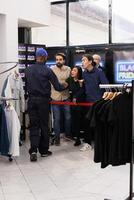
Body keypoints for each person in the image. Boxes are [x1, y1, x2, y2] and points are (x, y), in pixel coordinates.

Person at [25, 48, 67, 161]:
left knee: (33, 125)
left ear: (36, 57)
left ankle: (33, 150)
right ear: (45, 58)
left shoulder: (28, 70)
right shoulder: (48, 70)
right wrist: (66, 85)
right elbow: (58, 87)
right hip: (43, 101)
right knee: (44, 125)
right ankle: (43, 151)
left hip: (31, 100)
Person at [80, 54, 109, 151]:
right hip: (87, 102)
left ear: (90, 61)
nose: (82, 62)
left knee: (98, 124)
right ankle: (87, 143)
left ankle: (101, 144)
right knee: (87, 123)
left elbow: (106, 86)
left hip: (98, 103)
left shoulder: (99, 72)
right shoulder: (84, 73)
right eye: (82, 60)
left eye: (84, 60)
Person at [51, 53, 71, 146]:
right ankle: (57, 138)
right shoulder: (51, 69)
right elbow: (51, 82)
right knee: (57, 118)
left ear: (64, 60)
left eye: (60, 59)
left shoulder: (68, 69)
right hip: (55, 97)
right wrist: (62, 84)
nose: (58, 61)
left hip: (66, 96)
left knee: (68, 117)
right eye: (57, 59)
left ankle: (67, 135)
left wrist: (64, 84)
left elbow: (69, 82)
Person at [66, 66, 85, 146]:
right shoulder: (69, 79)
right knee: (74, 121)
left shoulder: (82, 80)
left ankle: (80, 137)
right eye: (72, 70)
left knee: (80, 121)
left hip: (81, 102)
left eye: (74, 70)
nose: (72, 72)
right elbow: (64, 86)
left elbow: (82, 90)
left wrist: (75, 97)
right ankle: (76, 137)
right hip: (73, 104)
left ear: (79, 72)